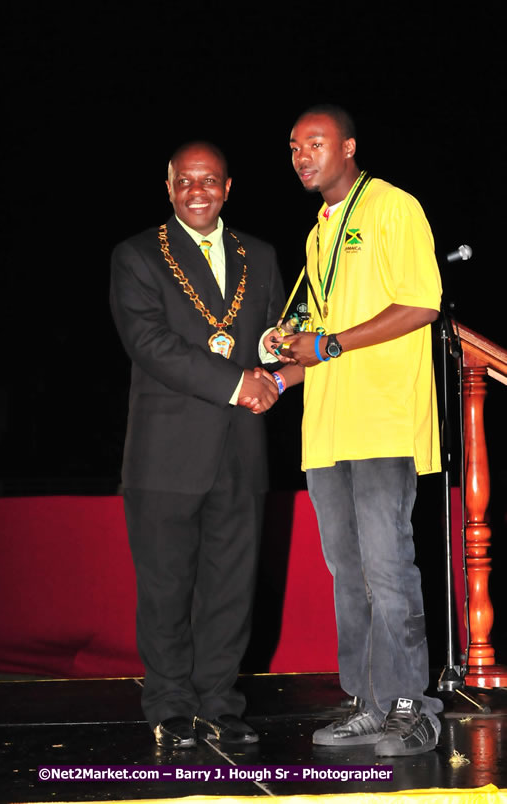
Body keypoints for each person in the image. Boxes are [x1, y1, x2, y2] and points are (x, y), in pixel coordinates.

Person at [262, 105, 444, 756]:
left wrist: (329, 342)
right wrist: (282, 375)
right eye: (293, 146)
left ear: (348, 147)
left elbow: (421, 303)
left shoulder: (394, 207)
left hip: (382, 421)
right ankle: (368, 704)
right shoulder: (319, 233)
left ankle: (412, 709)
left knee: (388, 569)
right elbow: (320, 344)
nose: (302, 156)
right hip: (327, 429)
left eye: (315, 143)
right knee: (348, 574)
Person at [110, 141, 284, 749]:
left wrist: (279, 355)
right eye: (185, 181)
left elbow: (270, 336)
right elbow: (150, 344)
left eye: (209, 180)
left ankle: (219, 704)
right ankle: (169, 706)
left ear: (228, 188)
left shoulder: (261, 255)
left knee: (231, 588)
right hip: (164, 454)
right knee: (165, 589)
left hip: (241, 451)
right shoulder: (136, 255)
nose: (197, 191)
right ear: (169, 187)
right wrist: (239, 384)